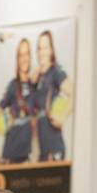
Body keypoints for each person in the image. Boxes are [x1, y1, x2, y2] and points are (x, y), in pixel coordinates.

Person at [0, 38, 35, 165]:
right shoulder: (12, 86)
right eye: (21, 55)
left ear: (30, 57)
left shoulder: (35, 86)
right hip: (10, 156)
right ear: (17, 59)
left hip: (27, 157)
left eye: (26, 54)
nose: (24, 58)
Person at [33, 30, 73, 161]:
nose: (42, 52)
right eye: (39, 48)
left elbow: (74, 93)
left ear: (51, 50)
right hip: (42, 151)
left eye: (45, 48)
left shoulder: (55, 71)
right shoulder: (38, 76)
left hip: (54, 148)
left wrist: (63, 117)